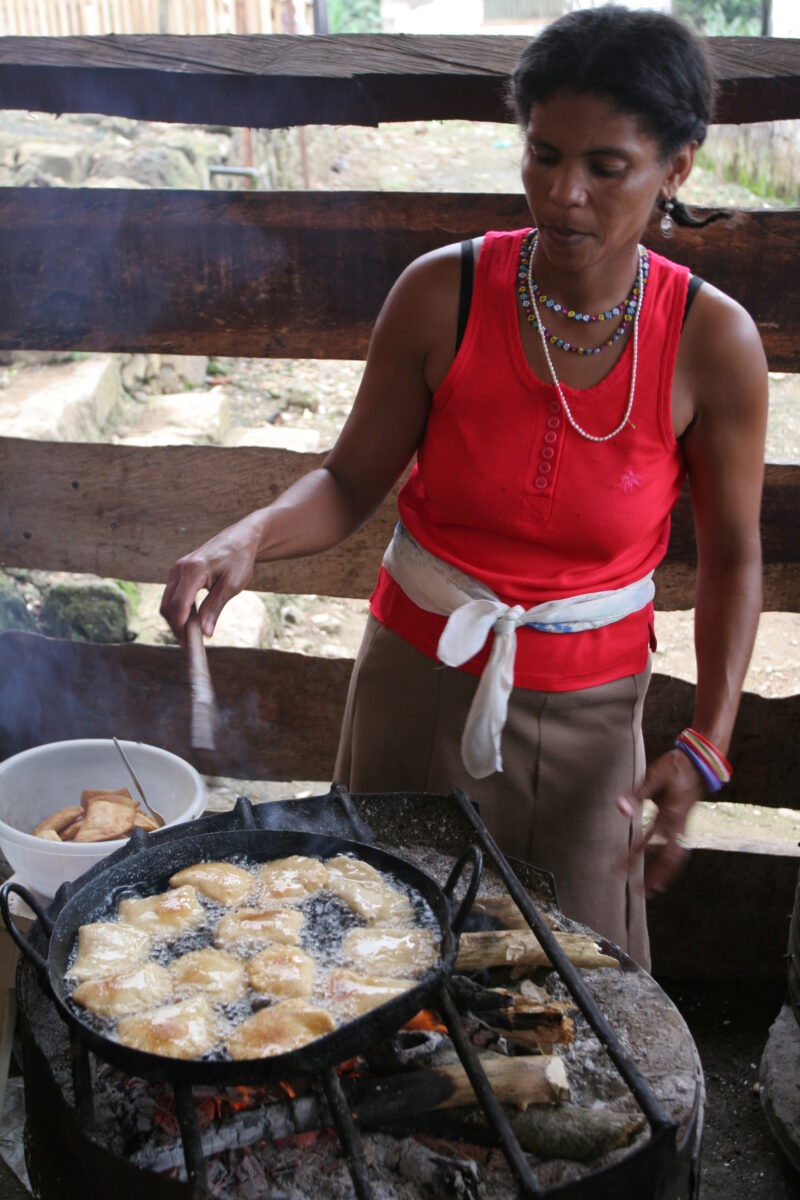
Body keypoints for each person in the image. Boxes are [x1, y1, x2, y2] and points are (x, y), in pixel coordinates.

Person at [160, 5, 767, 969]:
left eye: (606, 167)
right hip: (413, 681)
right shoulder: (444, 293)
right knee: (371, 954)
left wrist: (707, 740)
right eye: (543, 154)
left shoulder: (711, 341)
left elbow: (735, 554)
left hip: (592, 713)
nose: (564, 194)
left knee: (573, 991)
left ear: (676, 168)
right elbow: (349, 476)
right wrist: (249, 540)